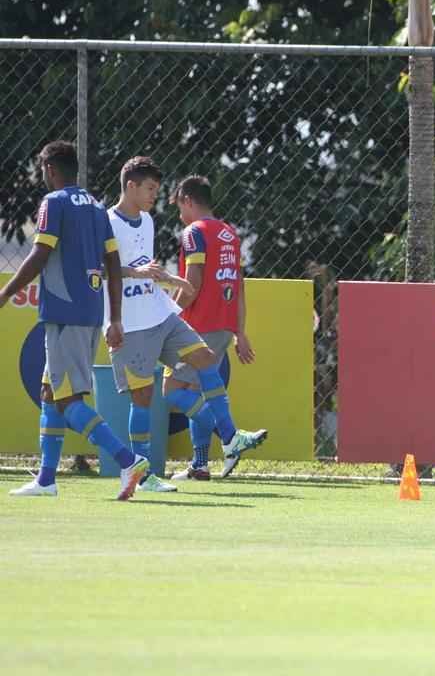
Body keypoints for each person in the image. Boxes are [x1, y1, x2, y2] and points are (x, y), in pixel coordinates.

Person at [105, 157, 266, 493]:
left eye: (158, 191)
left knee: (204, 358)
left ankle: (229, 438)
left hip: (162, 313)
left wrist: (163, 280)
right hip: (131, 322)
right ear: (131, 186)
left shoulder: (148, 221)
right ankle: (143, 473)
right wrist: (116, 313)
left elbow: (154, 270)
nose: (154, 197)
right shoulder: (105, 222)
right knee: (144, 396)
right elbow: (97, 269)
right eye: (150, 189)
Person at [4, 141, 149, 499]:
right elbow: (113, 264)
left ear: (50, 169)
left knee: (69, 403)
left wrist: (6, 293)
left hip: (64, 313)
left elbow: (40, 253)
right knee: (50, 393)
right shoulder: (97, 207)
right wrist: (114, 317)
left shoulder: (53, 203)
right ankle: (46, 480)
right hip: (89, 310)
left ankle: (127, 460)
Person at [168, 175, 258, 479]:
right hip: (223, 325)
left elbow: (192, 284)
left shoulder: (193, 232)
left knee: (171, 391)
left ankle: (230, 436)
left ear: (188, 201)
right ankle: (200, 464)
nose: (180, 216)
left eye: (179, 208)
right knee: (197, 391)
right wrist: (239, 331)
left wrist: (167, 316)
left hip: (198, 325)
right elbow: (239, 285)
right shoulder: (229, 234)